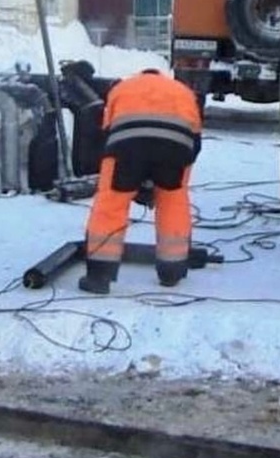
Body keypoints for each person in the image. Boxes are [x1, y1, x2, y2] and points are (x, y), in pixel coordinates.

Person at [79, 69, 203, 295]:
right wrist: (168, 176)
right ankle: (171, 271)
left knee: (112, 202)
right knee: (173, 200)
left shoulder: (121, 89)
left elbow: (107, 132)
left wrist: (132, 179)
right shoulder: (183, 91)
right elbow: (195, 141)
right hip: (175, 148)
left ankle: (99, 275)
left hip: (127, 146)